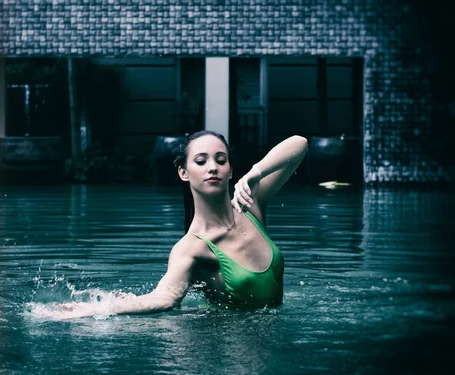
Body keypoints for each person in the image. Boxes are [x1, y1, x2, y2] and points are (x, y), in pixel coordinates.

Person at [54, 130, 308, 319]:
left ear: (230, 170)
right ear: (183, 172)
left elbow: (300, 144)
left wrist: (257, 171)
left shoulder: (251, 204)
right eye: (201, 161)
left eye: (221, 160)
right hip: (234, 347)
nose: (213, 168)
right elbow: (165, 296)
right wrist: (99, 309)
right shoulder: (191, 248)